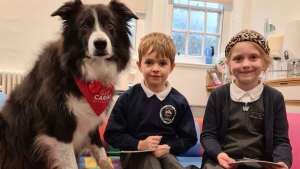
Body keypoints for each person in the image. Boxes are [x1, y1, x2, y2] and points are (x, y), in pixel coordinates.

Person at [104, 32, 198, 169]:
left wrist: (168, 147)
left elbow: (189, 138)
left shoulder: (179, 101)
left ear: (171, 67)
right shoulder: (127, 98)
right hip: (133, 153)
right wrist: (139, 144)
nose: (155, 69)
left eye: (162, 63)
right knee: (151, 164)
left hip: (166, 153)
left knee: (171, 164)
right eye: (149, 62)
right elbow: (112, 134)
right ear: (139, 65)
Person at [200, 29, 292, 169]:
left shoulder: (275, 98)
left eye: (253, 57)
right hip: (221, 162)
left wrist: (282, 161)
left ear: (265, 63)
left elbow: (281, 141)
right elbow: (208, 135)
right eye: (238, 59)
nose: (245, 64)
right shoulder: (217, 95)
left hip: (259, 164)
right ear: (229, 65)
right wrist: (218, 154)